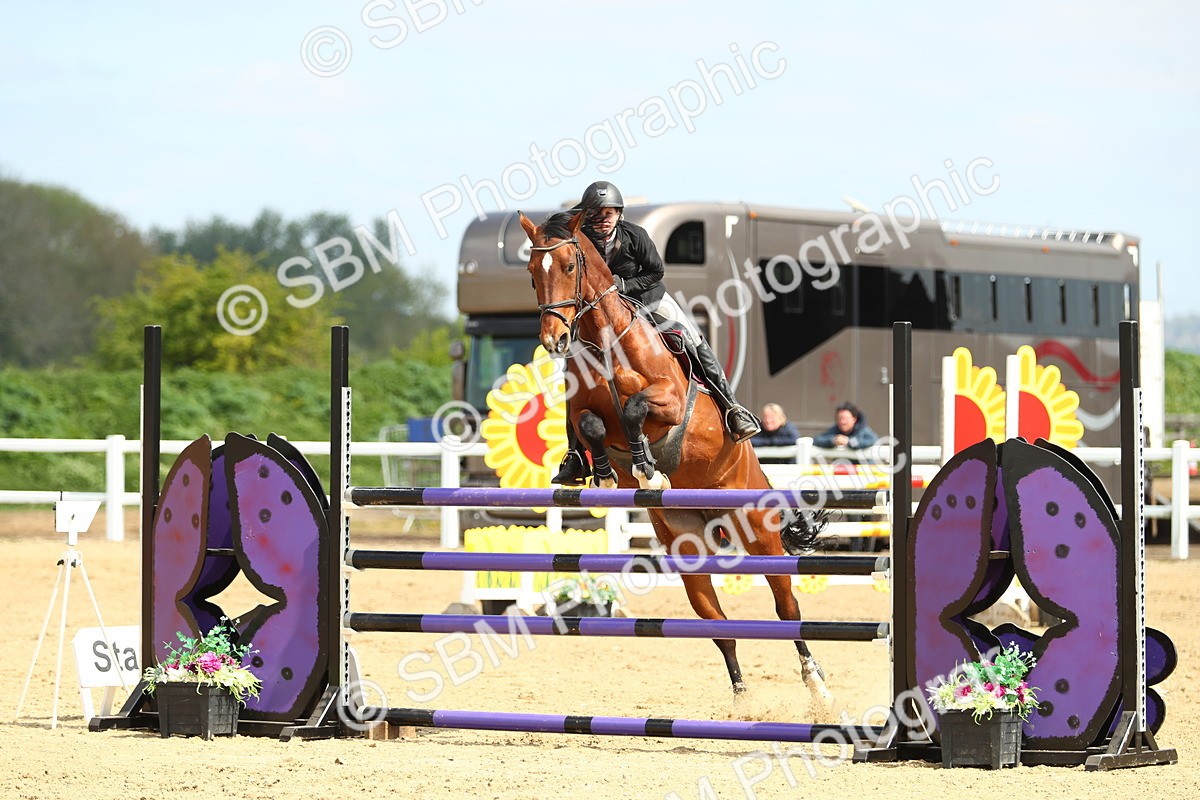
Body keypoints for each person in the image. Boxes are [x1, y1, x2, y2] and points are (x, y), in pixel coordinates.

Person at [552, 180, 761, 485]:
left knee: (690, 335)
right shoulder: (582, 240)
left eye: (609, 212)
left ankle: (731, 408)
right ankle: (574, 454)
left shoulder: (635, 236)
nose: (603, 218)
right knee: (573, 367)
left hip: (648, 299)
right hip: (601, 313)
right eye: (597, 213)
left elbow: (655, 273)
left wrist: (622, 287)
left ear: (619, 214)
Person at [812, 401, 879, 450]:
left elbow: (874, 440)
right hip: (841, 467)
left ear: (854, 419)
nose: (842, 422)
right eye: (839, 418)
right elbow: (817, 439)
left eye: (846, 418)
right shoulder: (835, 429)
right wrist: (833, 440)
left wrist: (849, 442)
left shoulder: (863, 430)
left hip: (862, 468)